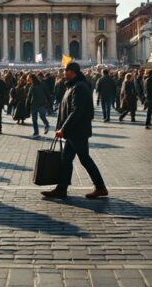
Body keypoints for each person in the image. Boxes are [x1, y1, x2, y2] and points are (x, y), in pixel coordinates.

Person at [41, 62, 107, 199]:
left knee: (84, 159)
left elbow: (77, 110)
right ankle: (62, 188)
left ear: (72, 72)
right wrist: (62, 127)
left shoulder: (79, 87)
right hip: (73, 131)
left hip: (77, 131)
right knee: (66, 159)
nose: (63, 73)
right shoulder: (74, 86)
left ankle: (100, 187)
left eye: (65, 71)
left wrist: (63, 128)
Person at [26, 73, 51, 138]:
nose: (28, 81)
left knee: (37, 118)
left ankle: (39, 131)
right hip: (38, 104)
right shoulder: (39, 85)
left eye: (29, 79)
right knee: (39, 118)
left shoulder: (34, 86)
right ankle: (41, 129)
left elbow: (29, 97)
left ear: (32, 78)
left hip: (37, 104)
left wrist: (27, 105)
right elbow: (48, 94)